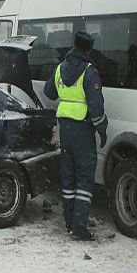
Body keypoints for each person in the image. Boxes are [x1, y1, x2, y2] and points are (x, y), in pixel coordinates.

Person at [44, 31, 108, 241]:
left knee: (69, 175)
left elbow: (49, 92)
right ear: (88, 49)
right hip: (82, 129)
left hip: (65, 129)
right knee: (85, 176)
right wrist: (102, 129)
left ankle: (69, 222)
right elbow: (96, 107)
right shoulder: (90, 72)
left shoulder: (60, 68)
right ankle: (80, 224)